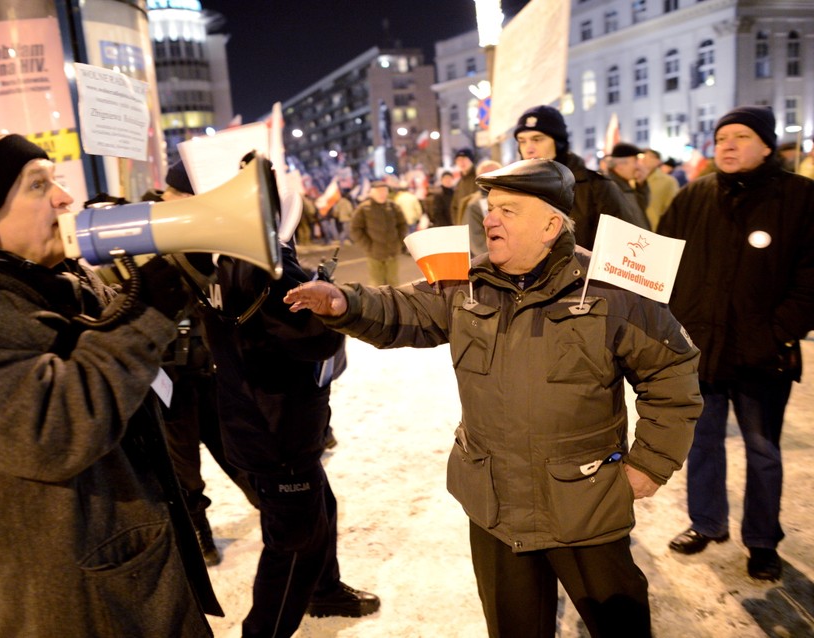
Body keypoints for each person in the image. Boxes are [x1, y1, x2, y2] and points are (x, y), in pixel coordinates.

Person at [285, 159, 702, 638]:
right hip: (495, 504)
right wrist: (344, 302)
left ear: (550, 224)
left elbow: (672, 371)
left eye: (508, 209)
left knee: (619, 626)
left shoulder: (610, 288)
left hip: (584, 502)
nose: (490, 219)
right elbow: (405, 308)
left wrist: (650, 462)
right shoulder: (468, 283)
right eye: (490, 208)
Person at [0, 129, 221, 637]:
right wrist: (146, 314)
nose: (64, 197)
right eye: (37, 186)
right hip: (75, 603)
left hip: (116, 575)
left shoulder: (38, 282)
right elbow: (55, 431)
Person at [199, 213, 379, 638]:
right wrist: (330, 303)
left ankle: (325, 589)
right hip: (276, 428)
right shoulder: (265, 261)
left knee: (320, 508)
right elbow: (314, 337)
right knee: (294, 544)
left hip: (262, 419)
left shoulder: (221, 254)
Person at [658, 106, 814, 582]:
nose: (727, 144)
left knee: (763, 450)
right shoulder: (695, 196)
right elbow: (660, 259)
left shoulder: (800, 197)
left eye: (741, 136)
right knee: (702, 442)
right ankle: (707, 522)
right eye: (721, 136)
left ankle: (763, 541)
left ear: (767, 145)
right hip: (702, 350)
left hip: (764, 355)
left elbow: (811, 278)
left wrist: (775, 333)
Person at [154, 162, 260, 567]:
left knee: (232, 449)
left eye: (172, 191)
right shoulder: (158, 238)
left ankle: (264, 503)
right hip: (173, 371)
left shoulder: (204, 241)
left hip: (209, 367)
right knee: (185, 465)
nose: (163, 197)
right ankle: (199, 531)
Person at [514, 105, 649, 248]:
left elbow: (624, 244)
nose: (529, 149)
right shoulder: (512, 188)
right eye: (522, 141)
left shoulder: (596, 187)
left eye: (537, 139)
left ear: (558, 143)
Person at [350, 179, 408, 286]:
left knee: (393, 283)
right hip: (374, 253)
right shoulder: (364, 208)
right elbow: (355, 229)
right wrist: (368, 246)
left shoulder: (393, 207)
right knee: (377, 284)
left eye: (384, 191)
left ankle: (394, 303)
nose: (382, 194)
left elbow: (402, 224)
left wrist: (399, 242)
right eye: (378, 191)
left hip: (392, 252)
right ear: (372, 193)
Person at [603, 142, 652, 230]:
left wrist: (641, 184)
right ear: (620, 165)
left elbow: (640, 209)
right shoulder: (610, 188)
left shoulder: (624, 184)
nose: (638, 166)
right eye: (635, 161)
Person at [464, 159, 502, 257]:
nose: (493, 177)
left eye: (497, 173)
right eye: (487, 174)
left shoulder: (510, 197)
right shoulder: (474, 205)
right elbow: (476, 241)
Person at [637, 148, 679, 231]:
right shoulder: (633, 179)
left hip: (656, 229)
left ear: (658, 161)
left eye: (649, 157)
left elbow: (673, 208)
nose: (644, 159)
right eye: (642, 156)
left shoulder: (668, 181)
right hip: (635, 227)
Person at [451, 148, 477, 225]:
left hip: (477, 222)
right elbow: (454, 206)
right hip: (462, 224)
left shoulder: (478, 177)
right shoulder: (459, 183)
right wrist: (457, 223)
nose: (461, 162)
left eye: (464, 159)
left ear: (471, 160)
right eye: (458, 160)